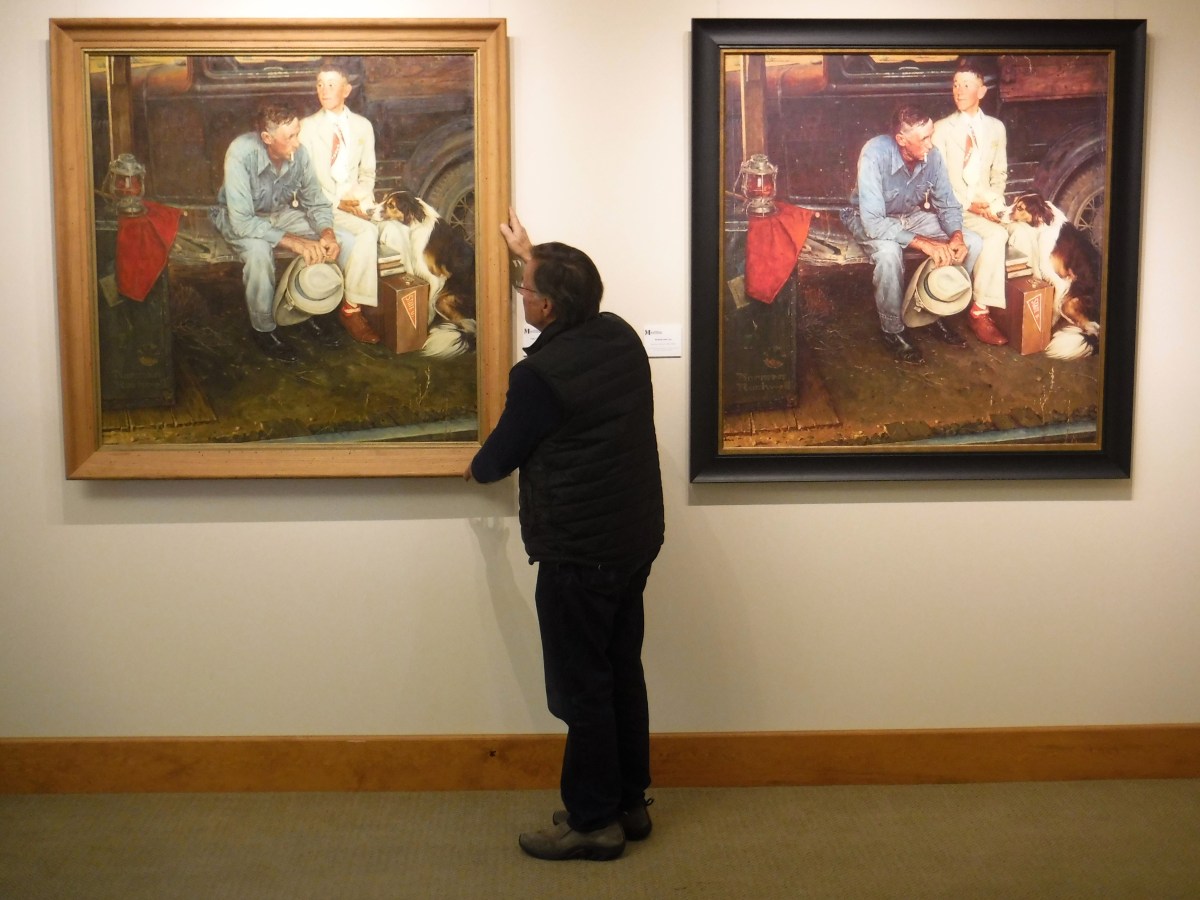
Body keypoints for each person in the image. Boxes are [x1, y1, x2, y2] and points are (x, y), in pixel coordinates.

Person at [464, 209, 665, 862]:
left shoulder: (539, 379)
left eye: (526, 286)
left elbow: (494, 460)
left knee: (582, 689)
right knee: (619, 672)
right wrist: (527, 252)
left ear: (545, 307)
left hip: (579, 552)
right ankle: (628, 803)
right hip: (632, 540)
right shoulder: (617, 337)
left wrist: (470, 465)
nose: (521, 291)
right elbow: (559, 290)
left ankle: (591, 821)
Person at [843, 105, 984, 365]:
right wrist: (925, 244)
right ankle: (893, 330)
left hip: (909, 215)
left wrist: (956, 236)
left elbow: (948, 204)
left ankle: (933, 310)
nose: (931, 144)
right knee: (888, 253)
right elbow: (873, 222)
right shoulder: (874, 154)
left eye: (931, 135)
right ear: (901, 140)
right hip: (870, 218)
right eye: (925, 138)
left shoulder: (933, 156)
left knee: (973, 242)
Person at [211, 101, 348, 362]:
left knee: (327, 242)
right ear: (267, 138)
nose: (297, 142)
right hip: (239, 217)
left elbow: (316, 203)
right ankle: (264, 330)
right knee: (259, 252)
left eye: (298, 133)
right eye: (290, 137)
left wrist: (327, 233)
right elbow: (242, 221)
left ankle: (307, 307)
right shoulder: (241, 152)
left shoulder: (300, 154)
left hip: (279, 216)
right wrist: (295, 243)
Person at [932, 58, 1038, 345]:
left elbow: (999, 173)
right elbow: (937, 183)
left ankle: (1027, 305)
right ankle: (979, 311)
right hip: (956, 207)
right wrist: (969, 205)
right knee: (995, 236)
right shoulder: (942, 129)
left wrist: (995, 205)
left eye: (967, 85)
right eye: (955, 85)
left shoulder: (996, 128)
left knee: (1025, 231)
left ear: (982, 91)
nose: (959, 90)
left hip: (987, 203)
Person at [299, 59, 382, 344]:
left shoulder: (362, 126)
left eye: (331, 84)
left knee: (390, 231)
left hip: (354, 203)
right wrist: (338, 204)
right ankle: (351, 310)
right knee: (368, 234)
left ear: (346, 90)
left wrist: (360, 200)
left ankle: (372, 306)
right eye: (320, 84)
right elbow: (305, 183)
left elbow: (368, 173)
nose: (324, 90)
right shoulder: (306, 128)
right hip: (322, 206)